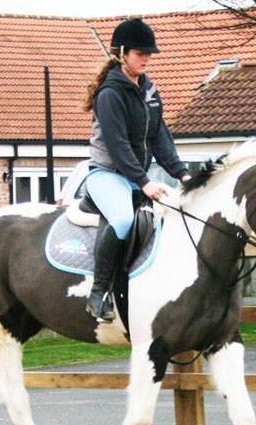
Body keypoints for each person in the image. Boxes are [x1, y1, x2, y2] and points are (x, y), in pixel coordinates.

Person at [82, 17, 190, 322]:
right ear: (122, 53)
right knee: (122, 220)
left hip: (135, 177)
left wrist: (183, 174)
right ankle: (98, 292)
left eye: (149, 54)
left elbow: (159, 137)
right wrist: (144, 182)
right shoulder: (110, 94)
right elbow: (118, 146)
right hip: (106, 175)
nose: (146, 58)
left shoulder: (149, 91)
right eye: (141, 53)